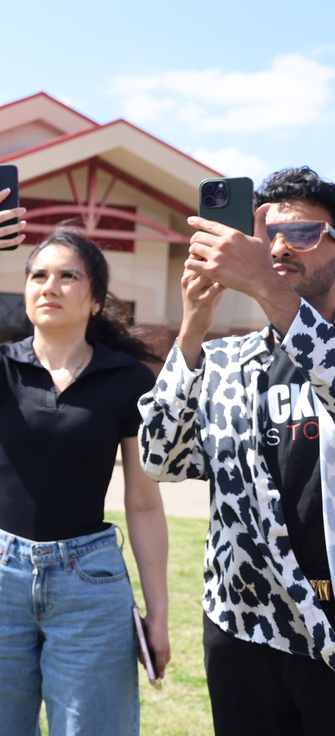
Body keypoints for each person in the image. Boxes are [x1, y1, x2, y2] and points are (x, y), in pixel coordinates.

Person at [0, 190, 170, 736]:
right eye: (38, 276)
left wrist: (158, 613)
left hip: (92, 583)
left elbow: (144, 502)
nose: (49, 287)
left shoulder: (127, 380)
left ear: (95, 300)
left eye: (67, 277)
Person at [139, 167, 335, 735]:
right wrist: (193, 327)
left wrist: (269, 290)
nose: (277, 246)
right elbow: (160, 458)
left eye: (303, 233)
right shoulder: (228, 361)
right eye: (264, 234)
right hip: (244, 629)